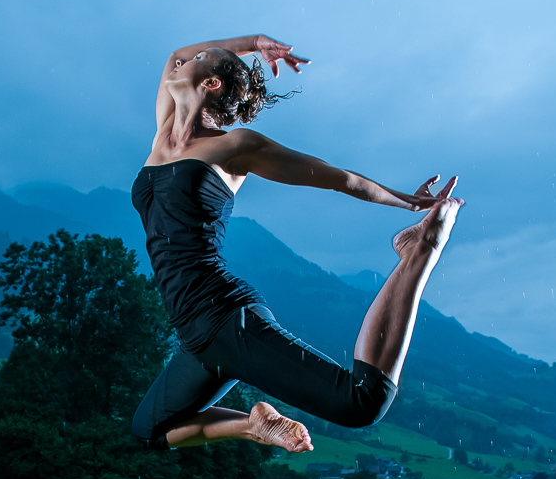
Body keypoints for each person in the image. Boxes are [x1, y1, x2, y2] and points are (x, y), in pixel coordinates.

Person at [130, 34, 462, 454]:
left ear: (211, 83)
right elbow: (175, 54)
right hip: (195, 336)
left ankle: (419, 253)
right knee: (148, 432)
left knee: (362, 402)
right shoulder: (163, 136)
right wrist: (252, 42)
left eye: (197, 60)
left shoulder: (234, 146)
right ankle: (253, 425)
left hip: (226, 318)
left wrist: (408, 201)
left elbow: (338, 177)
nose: (181, 62)